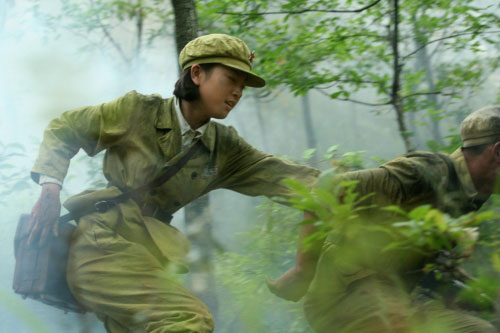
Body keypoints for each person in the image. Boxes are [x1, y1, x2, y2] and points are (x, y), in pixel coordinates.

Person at [27, 33, 320, 332]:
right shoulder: (137, 110)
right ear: (197, 73)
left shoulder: (225, 147)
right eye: (231, 79)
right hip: (101, 243)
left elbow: (304, 184)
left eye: (242, 86)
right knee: (188, 321)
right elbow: (64, 129)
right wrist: (50, 189)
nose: (237, 93)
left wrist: (356, 183)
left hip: (147, 259)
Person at [267, 105, 500, 332]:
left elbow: (427, 264)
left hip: (388, 297)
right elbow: (328, 187)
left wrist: (474, 297)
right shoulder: (425, 173)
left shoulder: (471, 194)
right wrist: (302, 270)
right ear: (497, 151)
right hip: (343, 295)